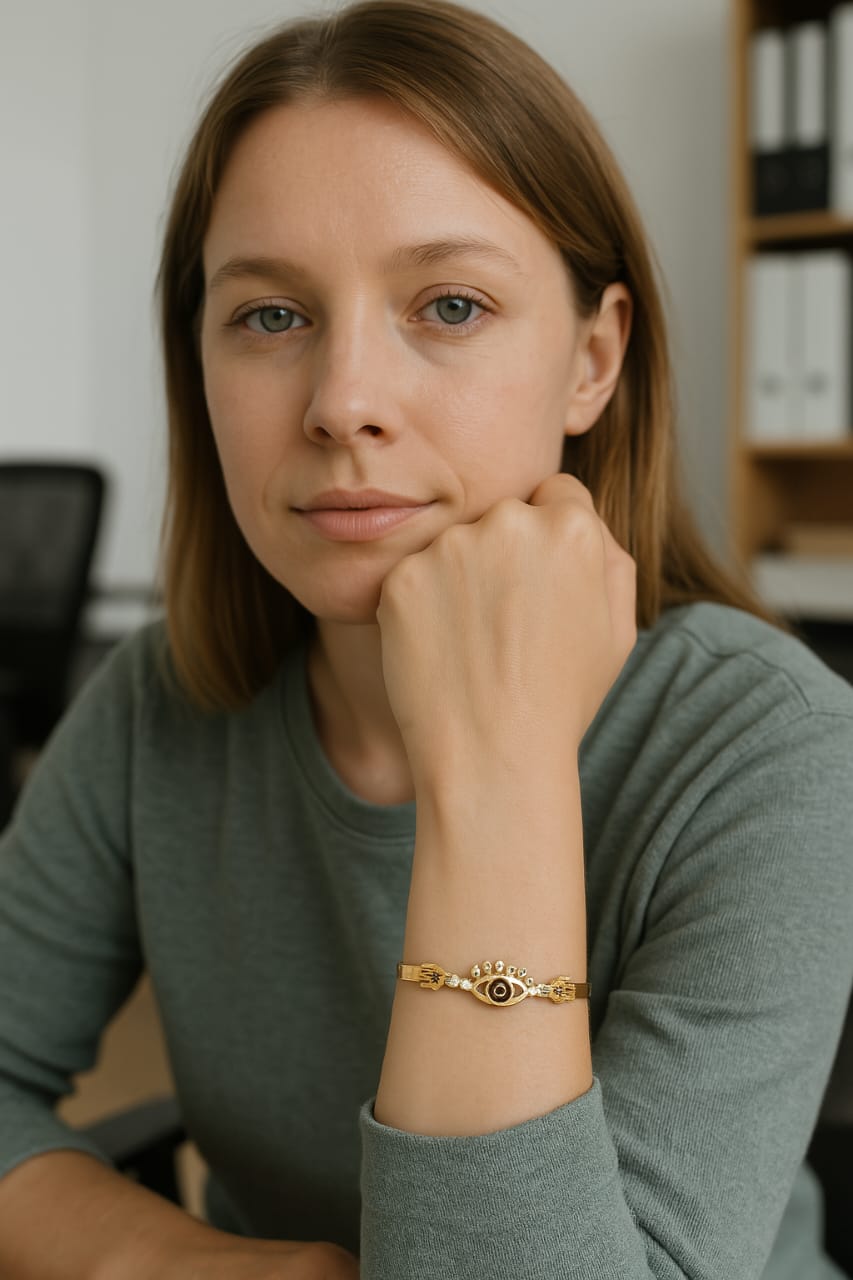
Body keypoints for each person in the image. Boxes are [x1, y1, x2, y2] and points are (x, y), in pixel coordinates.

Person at [0, 1, 851, 1276]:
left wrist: (496, 763)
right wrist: (184, 1262)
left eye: (448, 304)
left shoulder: (771, 748)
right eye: (270, 316)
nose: (344, 401)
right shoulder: (155, 702)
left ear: (593, 358)